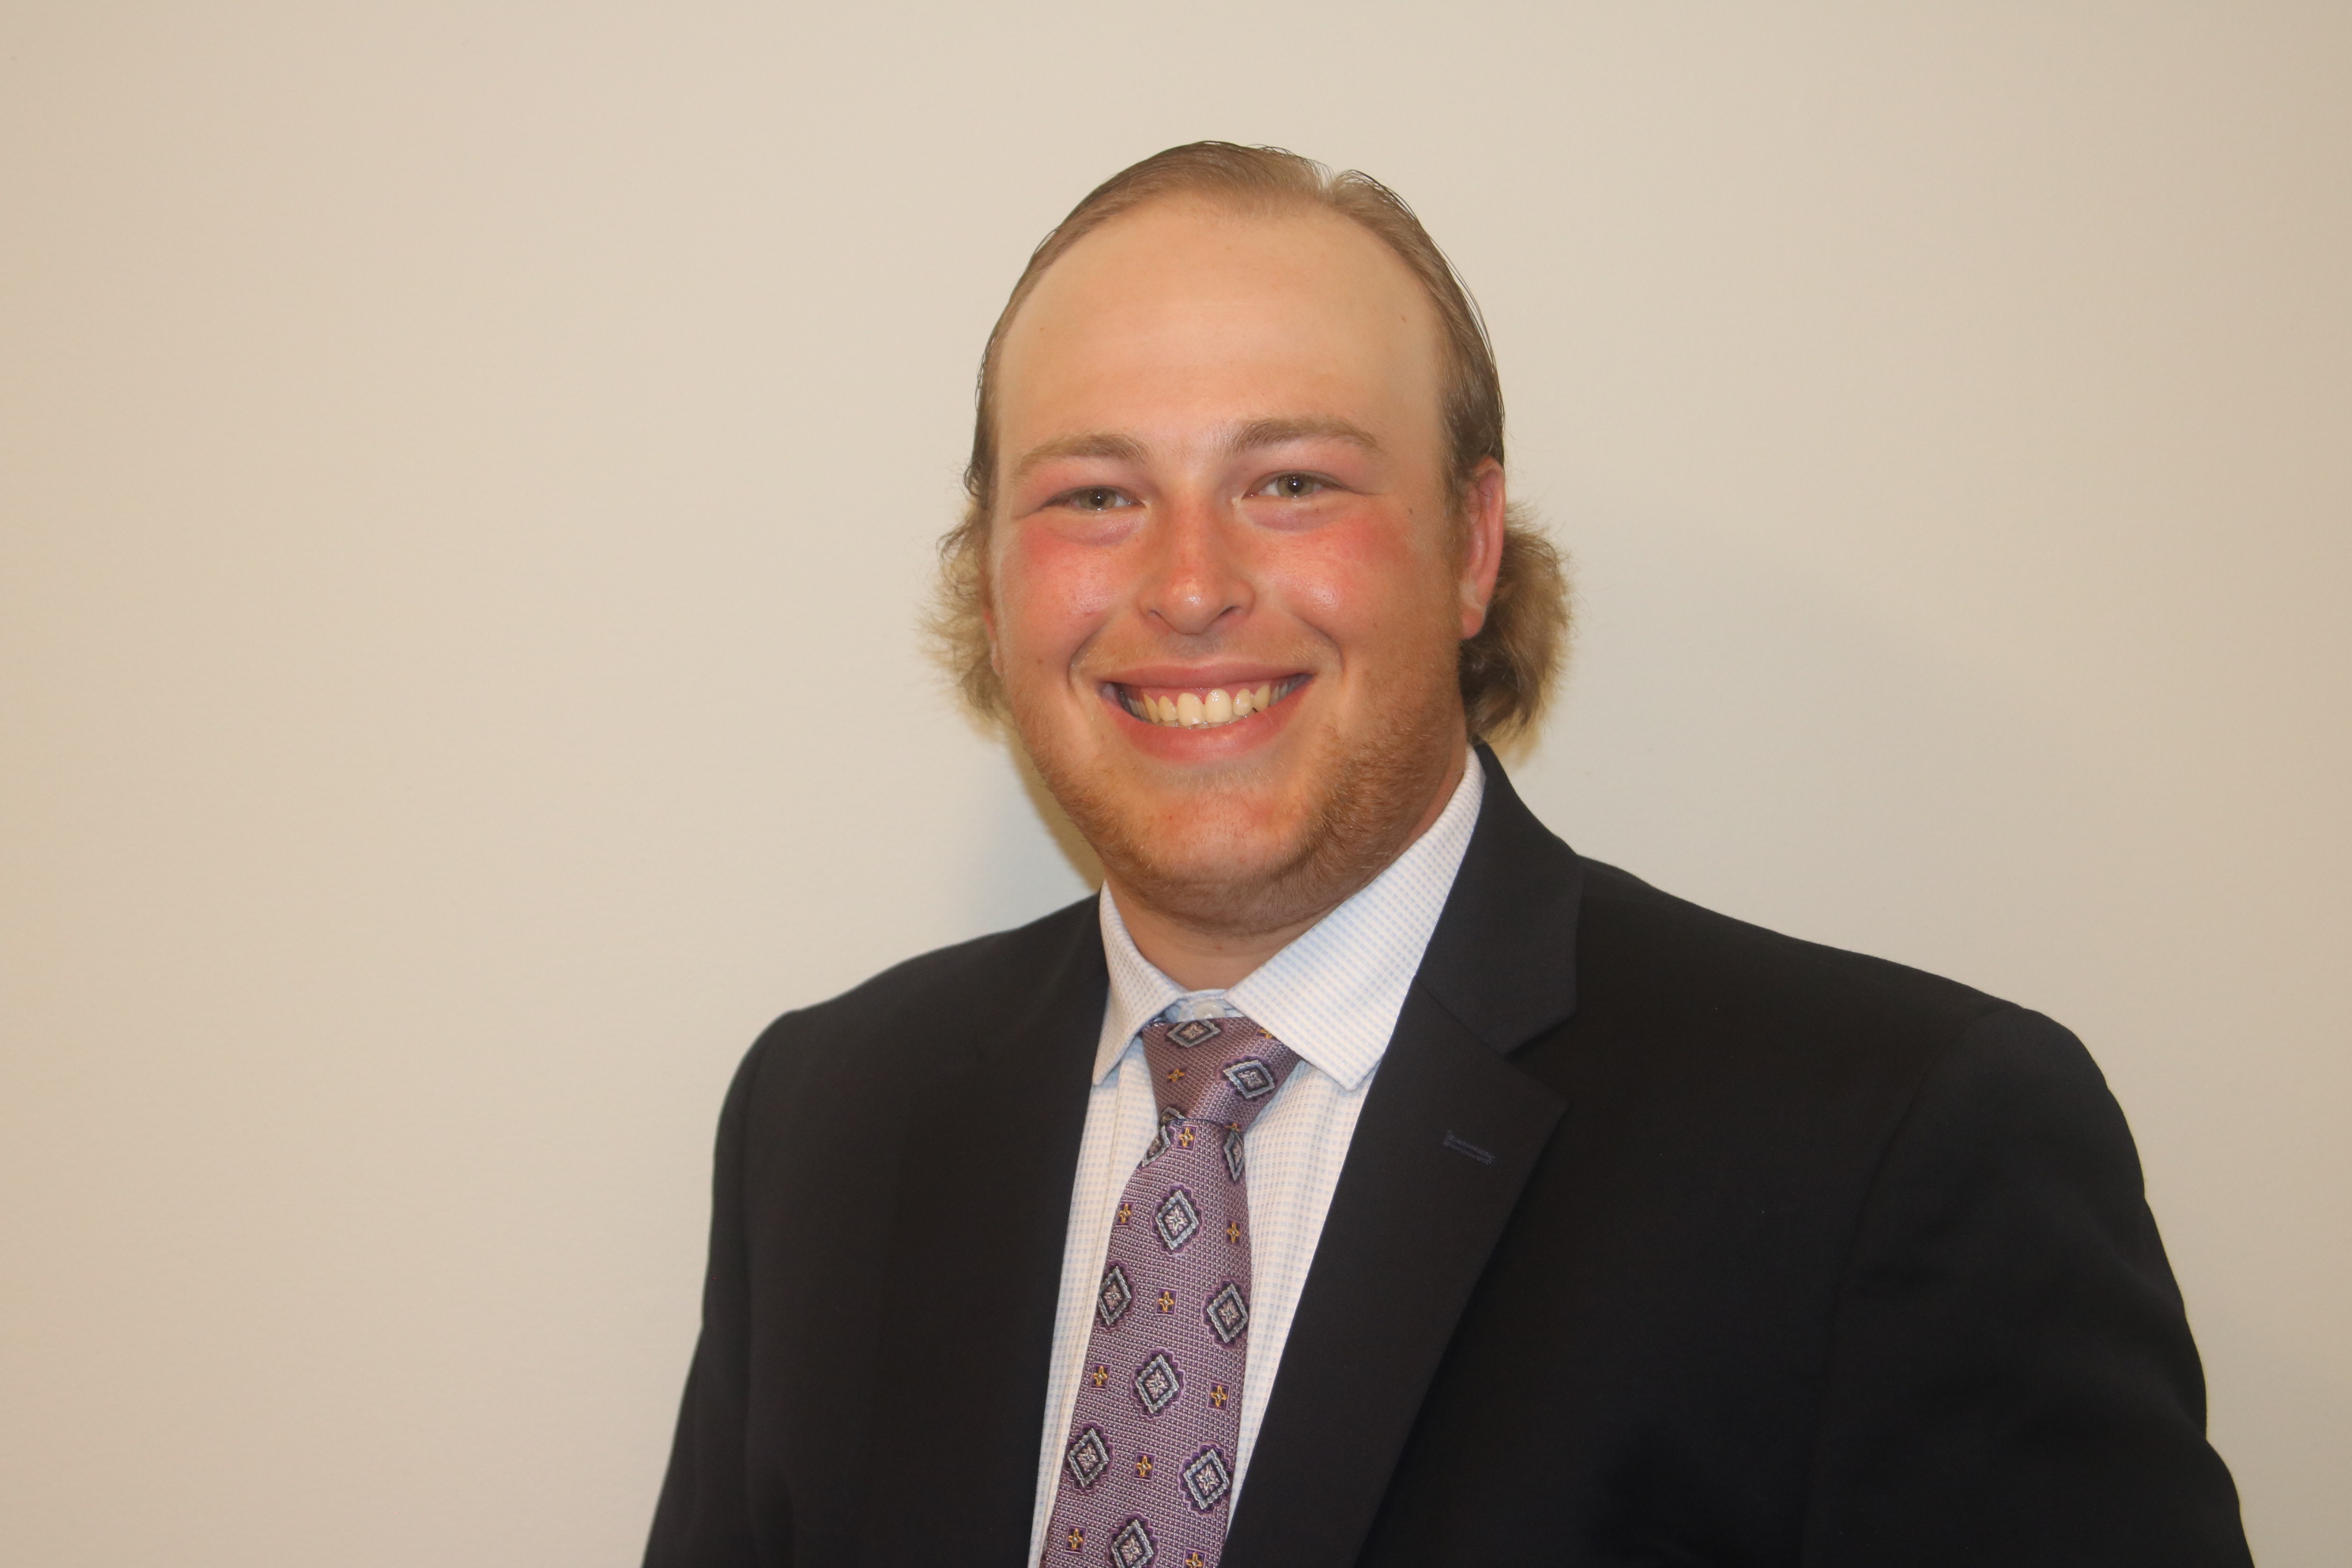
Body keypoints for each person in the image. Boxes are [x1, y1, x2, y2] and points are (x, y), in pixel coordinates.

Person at [643, 143, 2250, 1568]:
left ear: (1473, 546)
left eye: (1291, 482)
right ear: (994, 577)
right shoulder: (825, 1118)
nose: (1189, 584)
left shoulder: (1898, 1147)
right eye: (1095, 494)